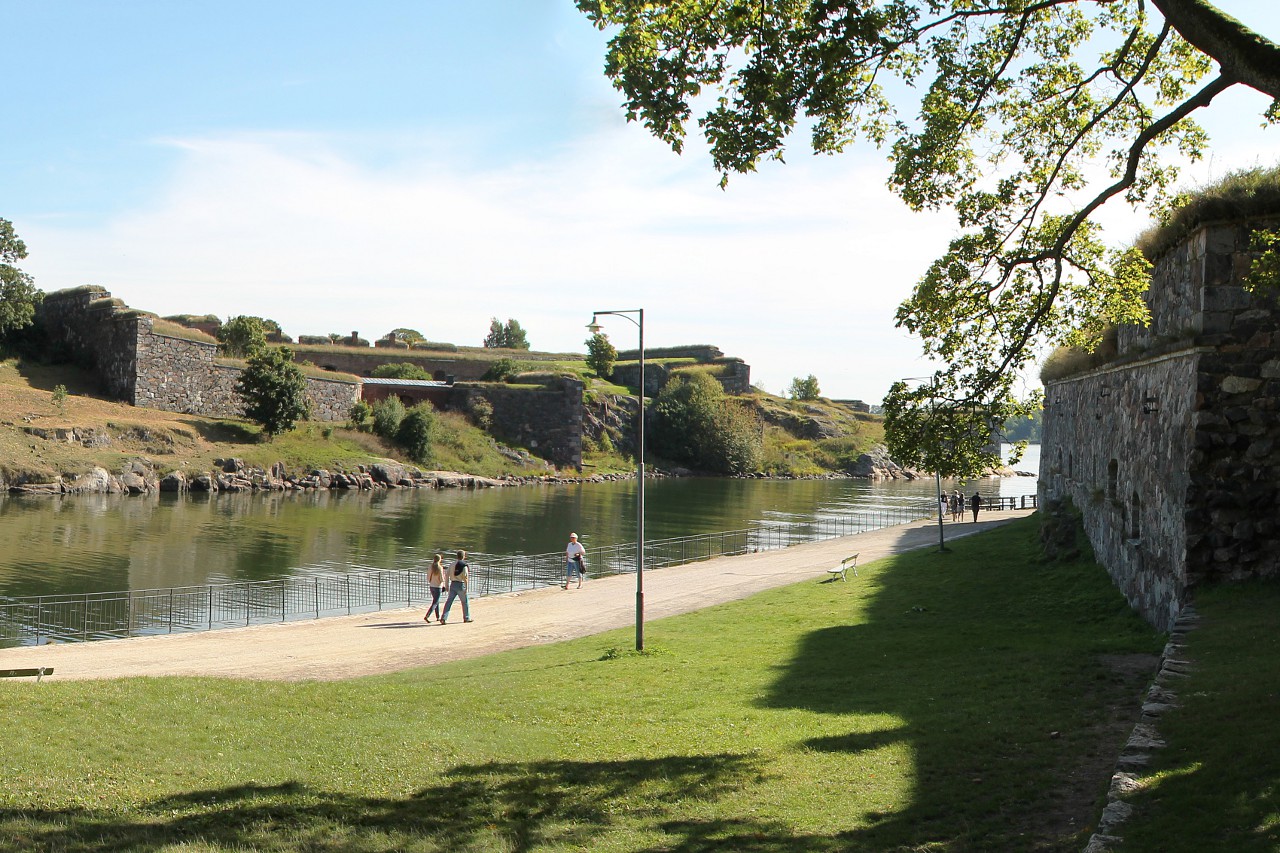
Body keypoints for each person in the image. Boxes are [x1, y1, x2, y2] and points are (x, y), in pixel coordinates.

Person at [440, 550, 473, 624]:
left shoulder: (452, 564)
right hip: (461, 585)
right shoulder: (464, 565)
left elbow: (446, 575)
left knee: (449, 602)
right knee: (464, 602)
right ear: (464, 556)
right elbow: (465, 577)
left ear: (457, 556)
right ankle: (466, 617)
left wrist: (446, 585)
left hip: (453, 584)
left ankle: (444, 617)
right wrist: (467, 588)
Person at [423, 553, 445, 623]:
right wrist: (444, 584)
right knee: (435, 602)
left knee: (436, 601)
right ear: (439, 560)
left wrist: (430, 581)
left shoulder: (430, 567)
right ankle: (427, 615)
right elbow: (441, 579)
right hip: (438, 586)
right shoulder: (440, 568)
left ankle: (437, 616)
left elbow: (428, 577)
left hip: (432, 586)